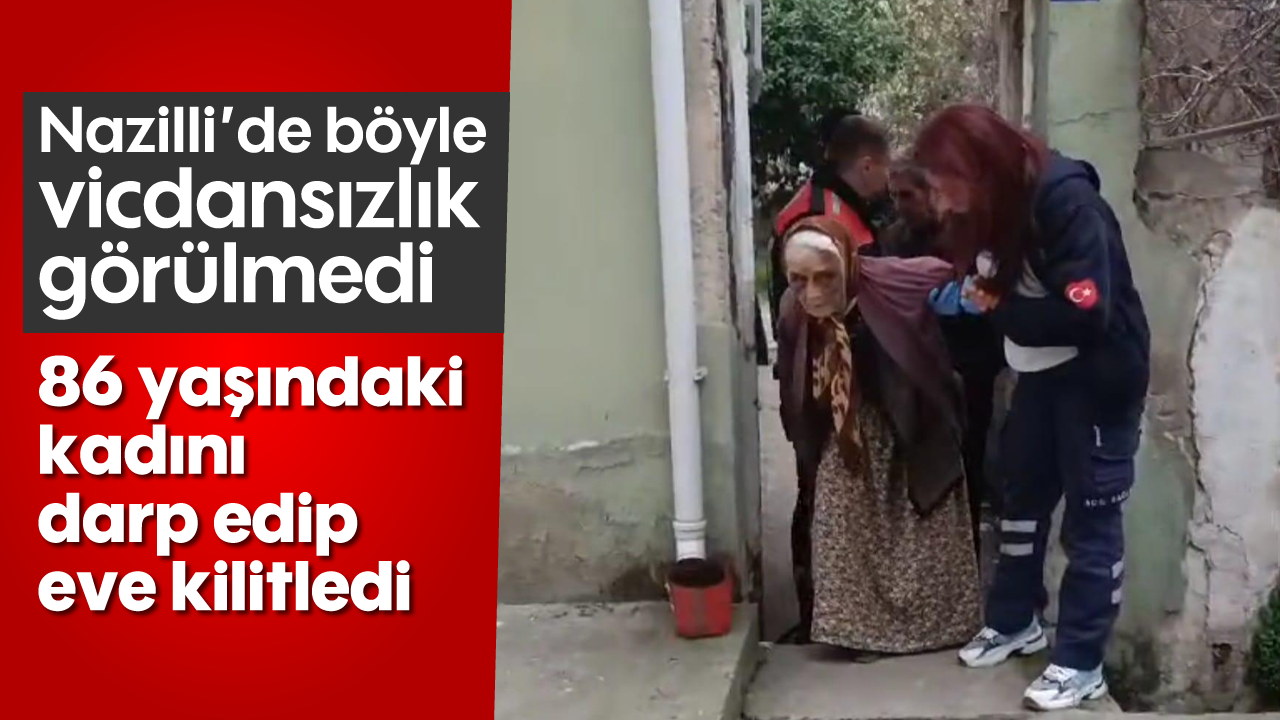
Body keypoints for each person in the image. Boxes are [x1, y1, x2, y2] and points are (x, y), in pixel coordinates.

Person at [911, 105, 1150, 711]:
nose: (941, 202)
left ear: (979, 168)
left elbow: (1086, 312)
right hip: (1040, 374)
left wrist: (1000, 309)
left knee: (1091, 520)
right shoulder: (993, 210)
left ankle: (1081, 663)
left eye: (944, 186)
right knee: (1021, 497)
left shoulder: (1068, 204)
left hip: (1098, 379)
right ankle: (1015, 621)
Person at [774, 214, 981, 653]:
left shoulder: (890, 282)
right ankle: (852, 632)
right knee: (839, 520)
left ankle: (929, 629)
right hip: (847, 427)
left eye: (825, 277)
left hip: (911, 417)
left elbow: (946, 275)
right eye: (799, 280)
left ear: (847, 264)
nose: (813, 291)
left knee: (922, 528)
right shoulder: (793, 310)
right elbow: (793, 382)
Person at [881, 162, 1007, 554]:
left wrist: (962, 298)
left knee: (966, 473)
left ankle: (965, 558)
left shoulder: (968, 235)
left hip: (970, 370)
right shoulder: (895, 239)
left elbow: (991, 295)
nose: (900, 205)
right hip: (917, 373)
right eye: (894, 196)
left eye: (907, 195)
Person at [766, 115, 894, 325]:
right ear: (867, 166)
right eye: (887, 168)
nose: (889, 179)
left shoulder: (838, 203)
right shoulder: (820, 217)